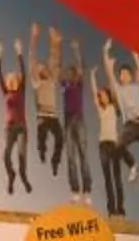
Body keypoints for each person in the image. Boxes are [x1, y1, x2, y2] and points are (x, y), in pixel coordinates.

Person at [103, 40, 139, 182]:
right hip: (129, 125)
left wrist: (136, 56)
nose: (124, 76)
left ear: (130, 76)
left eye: (127, 73)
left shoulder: (136, 87)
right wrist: (106, 52)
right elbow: (110, 74)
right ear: (120, 78)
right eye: (122, 74)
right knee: (117, 147)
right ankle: (132, 165)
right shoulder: (119, 90)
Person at [28, 24, 65, 182]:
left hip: (53, 115)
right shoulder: (36, 82)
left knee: (60, 138)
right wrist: (34, 37)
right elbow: (32, 58)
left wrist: (54, 41)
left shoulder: (51, 80)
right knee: (42, 136)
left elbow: (54, 59)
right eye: (40, 68)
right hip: (42, 115)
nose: (42, 68)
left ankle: (55, 162)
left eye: (44, 68)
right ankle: (42, 150)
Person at [0, 40, 31, 197]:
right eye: (9, 80)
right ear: (6, 83)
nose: (11, 82)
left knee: (21, 154)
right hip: (9, 128)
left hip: (21, 128)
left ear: (18, 82)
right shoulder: (6, 92)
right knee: (5, 155)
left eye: (14, 80)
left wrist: (19, 53)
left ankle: (23, 176)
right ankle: (11, 176)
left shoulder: (21, 91)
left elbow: (24, 73)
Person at [91, 76, 127, 217]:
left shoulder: (114, 107)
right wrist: (93, 78)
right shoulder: (101, 109)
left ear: (109, 96)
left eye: (105, 95)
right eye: (101, 96)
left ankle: (120, 208)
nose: (103, 97)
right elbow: (94, 94)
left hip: (114, 144)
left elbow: (113, 90)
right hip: (103, 145)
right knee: (108, 178)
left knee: (117, 177)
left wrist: (110, 70)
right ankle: (111, 209)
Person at [60, 47, 91, 194]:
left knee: (83, 154)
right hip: (67, 121)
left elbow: (81, 68)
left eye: (72, 72)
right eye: (69, 73)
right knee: (70, 156)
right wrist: (58, 46)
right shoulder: (64, 85)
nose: (70, 74)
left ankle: (87, 188)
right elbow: (59, 72)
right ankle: (75, 188)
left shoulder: (79, 84)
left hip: (79, 119)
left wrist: (77, 50)